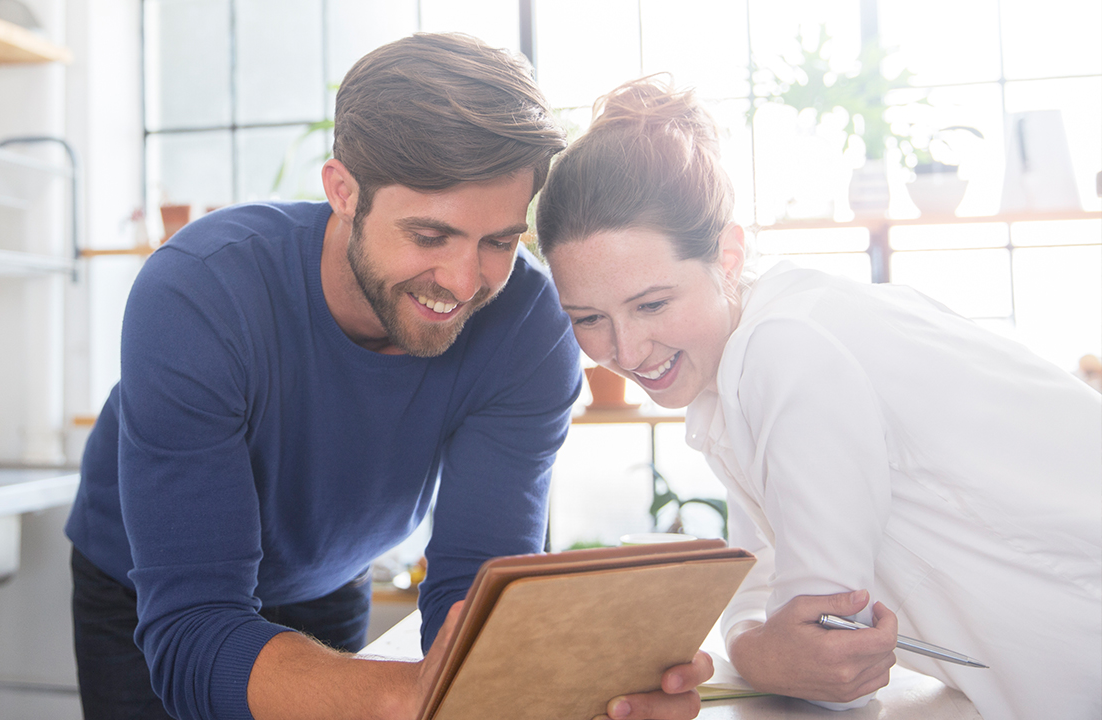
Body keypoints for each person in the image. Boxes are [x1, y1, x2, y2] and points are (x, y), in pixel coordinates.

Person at [66, 36, 714, 720]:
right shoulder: (200, 293)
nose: (464, 284)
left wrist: (533, 682)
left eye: (498, 240)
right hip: (152, 588)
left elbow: (474, 583)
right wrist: (413, 696)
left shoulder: (528, 330)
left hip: (328, 573)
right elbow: (197, 630)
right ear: (344, 192)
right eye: (430, 236)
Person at [535, 76, 1102, 720]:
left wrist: (757, 651)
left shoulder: (786, 349)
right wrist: (760, 644)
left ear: (727, 254)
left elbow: (826, 654)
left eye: (652, 304)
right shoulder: (748, 356)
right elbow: (765, 586)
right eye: (588, 318)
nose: (627, 350)